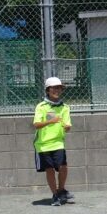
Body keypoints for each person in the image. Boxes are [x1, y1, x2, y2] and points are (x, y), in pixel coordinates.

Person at [33, 76, 73, 206]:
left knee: (63, 166)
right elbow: (36, 124)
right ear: (48, 90)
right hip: (43, 145)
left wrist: (67, 127)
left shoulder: (65, 107)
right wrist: (51, 121)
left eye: (59, 88)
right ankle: (55, 195)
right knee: (49, 169)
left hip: (58, 143)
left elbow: (67, 125)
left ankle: (61, 190)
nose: (57, 90)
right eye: (54, 88)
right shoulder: (41, 106)